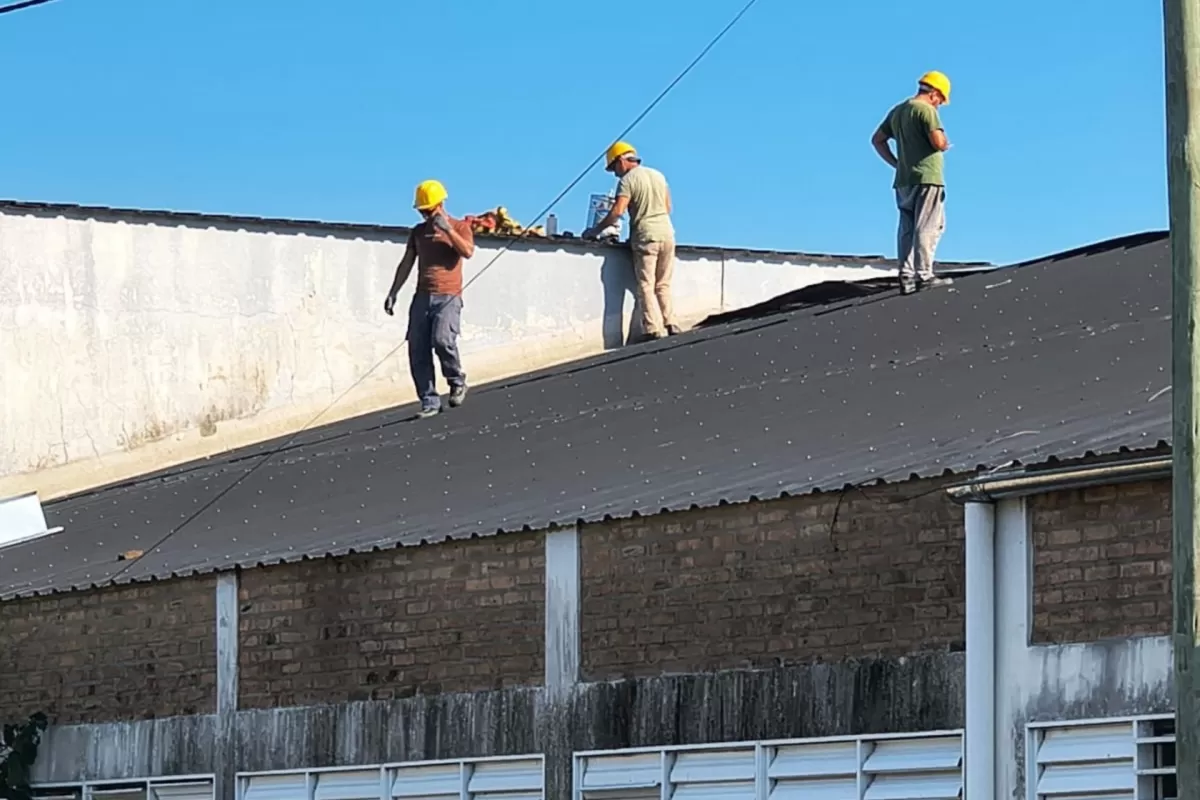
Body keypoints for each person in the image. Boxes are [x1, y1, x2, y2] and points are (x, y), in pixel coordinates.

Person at [384, 179, 476, 419]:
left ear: (441, 204)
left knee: (443, 340)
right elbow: (406, 263)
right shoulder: (418, 233)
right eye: (423, 211)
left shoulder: (459, 226)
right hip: (422, 297)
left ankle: (457, 381)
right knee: (417, 348)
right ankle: (429, 401)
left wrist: (447, 230)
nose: (426, 215)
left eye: (429, 210)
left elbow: (467, 251)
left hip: (449, 296)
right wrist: (393, 292)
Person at [583, 141, 680, 344]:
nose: (615, 174)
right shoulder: (658, 175)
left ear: (620, 161)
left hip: (646, 235)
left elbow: (617, 211)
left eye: (613, 168)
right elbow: (668, 207)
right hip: (668, 233)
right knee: (663, 284)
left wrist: (595, 231)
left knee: (646, 284)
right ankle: (671, 323)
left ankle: (653, 329)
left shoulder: (627, 180)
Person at [871, 71, 955, 295]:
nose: (939, 105)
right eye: (940, 100)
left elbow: (877, 140)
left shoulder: (898, 111)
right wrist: (945, 144)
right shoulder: (926, 110)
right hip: (928, 177)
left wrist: (897, 163)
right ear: (935, 94)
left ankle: (906, 275)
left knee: (907, 228)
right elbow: (937, 142)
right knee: (929, 225)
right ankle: (924, 275)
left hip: (904, 180)